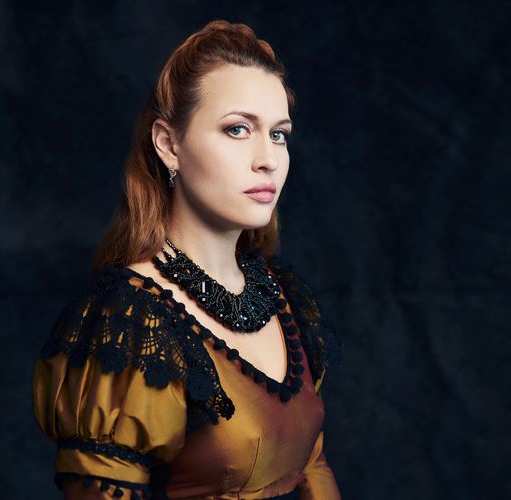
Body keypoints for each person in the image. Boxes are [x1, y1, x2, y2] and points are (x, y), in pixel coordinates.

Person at [33, 20, 343, 499]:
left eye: (279, 134)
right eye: (238, 129)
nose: (267, 158)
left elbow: (312, 466)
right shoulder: (130, 320)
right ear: (168, 144)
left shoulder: (283, 297)